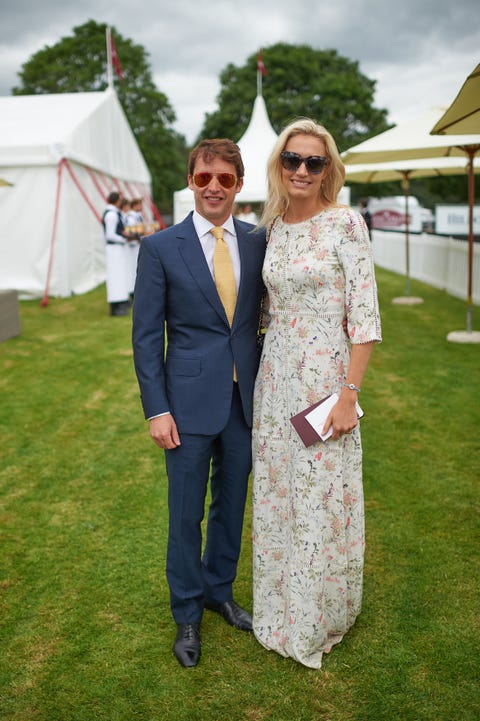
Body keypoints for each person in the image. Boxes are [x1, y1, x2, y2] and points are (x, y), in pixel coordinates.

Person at [252, 118, 382, 669]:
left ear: (329, 169)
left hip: (327, 381)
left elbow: (366, 318)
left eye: (314, 161)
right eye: (292, 160)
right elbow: (263, 310)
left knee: (321, 498)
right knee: (279, 495)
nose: (302, 170)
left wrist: (349, 395)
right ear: (279, 166)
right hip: (275, 380)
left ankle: (318, 613)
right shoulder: (272, 227)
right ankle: (279, 609)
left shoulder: (346, 224)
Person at [132, 139, 266, 668]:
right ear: (191, 181)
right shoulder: (161, 247)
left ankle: (219, 591)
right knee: (185, 514)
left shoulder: (258, 241)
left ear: (238, 184)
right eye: (204, 177)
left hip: (244, 402)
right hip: (184, 405)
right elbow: (146, 338)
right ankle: (186, 611)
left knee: (231, 505)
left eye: (225, 179)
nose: (214, 187)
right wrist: (156, 409)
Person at [103, 191, 130, 316]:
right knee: (115, 277)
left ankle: (120, 303)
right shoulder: (111, 215)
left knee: (119, 276)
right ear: (117, 201)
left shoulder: (114, 214)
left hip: (117, 249)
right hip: (114, 249)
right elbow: (110, 235)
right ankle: (115, 307)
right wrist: (124, 239)